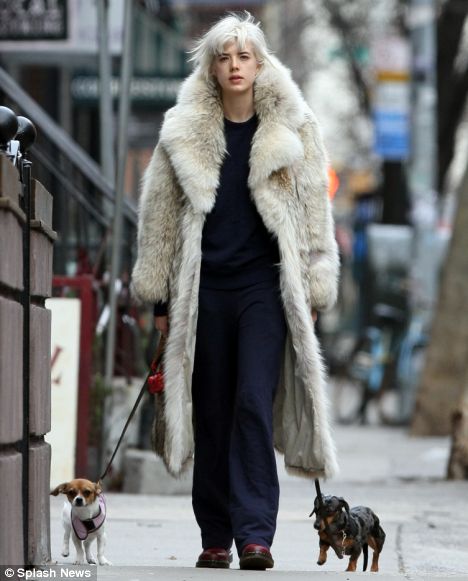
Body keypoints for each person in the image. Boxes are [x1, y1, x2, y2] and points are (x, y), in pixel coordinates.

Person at [131, 12, 340, 571]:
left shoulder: (294, 125)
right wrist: (157, 299)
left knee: (252, 401)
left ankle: (255, 535)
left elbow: (314, 210)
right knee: (214, 410)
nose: (234, 66)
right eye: (224, 57)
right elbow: (160, 220)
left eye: (244, 56)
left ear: (260, 62)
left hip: (265, 288)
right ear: (211, 66)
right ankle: (216, 533)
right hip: (201, 290)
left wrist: (315, 289)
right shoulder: (182, 127)